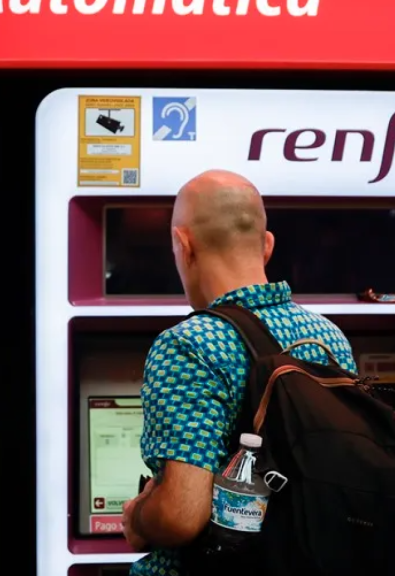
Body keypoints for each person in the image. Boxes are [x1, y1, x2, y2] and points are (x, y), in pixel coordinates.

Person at [120, 169, 357, 576]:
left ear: (183, 244)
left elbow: (180, 515)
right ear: (266, 246)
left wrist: (139, 516)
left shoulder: (190, 343)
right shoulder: (329, 337)